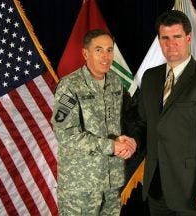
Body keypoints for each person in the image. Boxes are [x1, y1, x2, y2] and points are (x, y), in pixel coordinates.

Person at [137, 10, 196, 215]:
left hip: (192, 192)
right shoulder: (150, 78)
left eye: (177, 37)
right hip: (156, 187)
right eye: (165, 38)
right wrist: (130, 141)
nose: (171, 44)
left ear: (188, 38)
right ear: (159, 40)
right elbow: (144, 124)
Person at [51, 29, 137, 215]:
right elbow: (65, 134)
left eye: (109, 50)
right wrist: (111, 146)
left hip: (111, 182)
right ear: (85, 53)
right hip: (81, 187)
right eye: (98, 50)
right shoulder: (70, 86)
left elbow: (130, 118)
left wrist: (129, 140)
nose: (106, 56)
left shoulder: (115, 83)